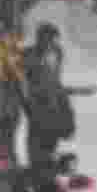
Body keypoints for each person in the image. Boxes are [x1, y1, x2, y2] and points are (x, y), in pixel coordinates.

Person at [22, 21, 74, 173]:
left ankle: (48, 170)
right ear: (40, 38)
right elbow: (22, 82)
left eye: (54, 40)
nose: (51, 43)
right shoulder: (28, 55)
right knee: (36, 147)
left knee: (51, 144)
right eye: (48, 39)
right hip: (37, 106)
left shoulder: (57, 53)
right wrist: (27, 104)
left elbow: (56, 79)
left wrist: (63, 99)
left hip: (53, 106)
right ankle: (38, 171)